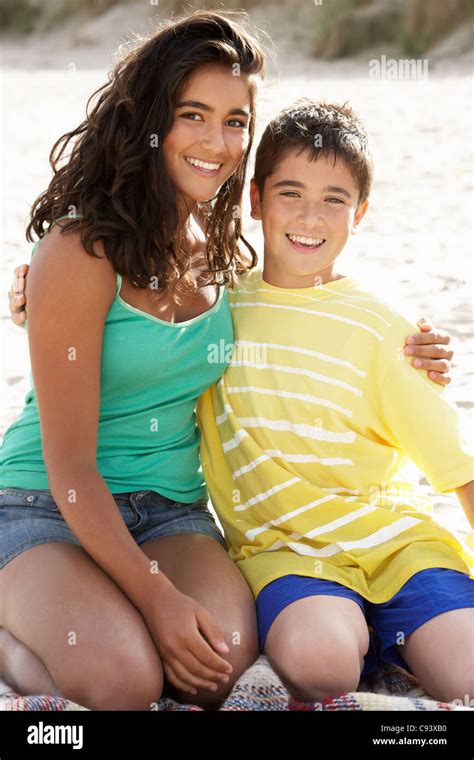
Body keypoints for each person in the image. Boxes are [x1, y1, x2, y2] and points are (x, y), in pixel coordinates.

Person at [0, 10, 266, 711]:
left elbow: (315, 311)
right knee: (124, 681)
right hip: (48, 504)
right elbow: (70, 465)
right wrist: (154, 596)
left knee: (214, 667)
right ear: (149, 119)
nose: (218, 141)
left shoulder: (221, 247)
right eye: (193, 115)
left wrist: (411, 346)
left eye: (236, 121)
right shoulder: (80, 252)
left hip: (171, 511)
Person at [197, 100, 474, 705]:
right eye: (290, 192)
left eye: (335, 199)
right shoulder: (213, 316)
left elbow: (458, 469)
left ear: (362, 211)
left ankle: (399, 636)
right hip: (287, 554)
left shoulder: (383, 330)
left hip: (402, 547)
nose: (309, 217)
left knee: (467, 672)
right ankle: (369, 640)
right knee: (324, 669)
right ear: (255, 199)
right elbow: (133, 336)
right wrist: (39, 302)